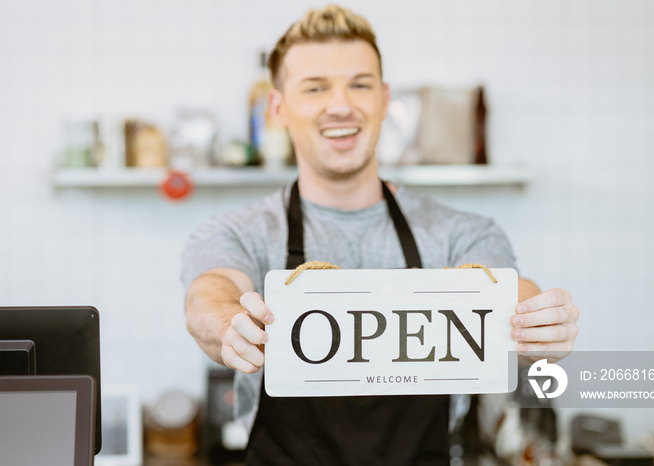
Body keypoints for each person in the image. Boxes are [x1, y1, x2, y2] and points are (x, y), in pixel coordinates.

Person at [182, 4, 579, 464]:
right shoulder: (238, 232)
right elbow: (210, 294)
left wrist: (536, 324)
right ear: (278, 107)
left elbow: (509, 293)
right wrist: (231, 326)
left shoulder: (459, 233)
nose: (341, 105)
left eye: (360, 84)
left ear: (384, 98)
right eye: (315, 87)